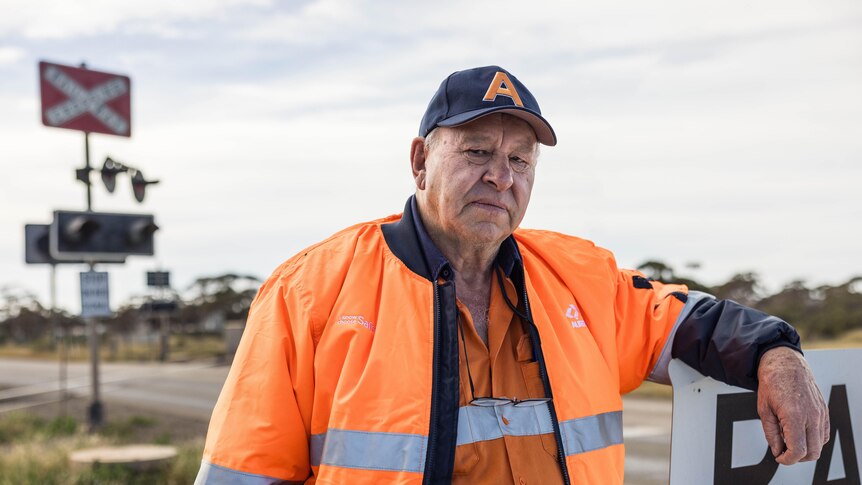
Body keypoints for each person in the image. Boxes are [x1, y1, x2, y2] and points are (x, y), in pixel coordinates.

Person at [194, 66, 829, 485]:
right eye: (476, 151)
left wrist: (776, 354)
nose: (502, 175)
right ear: (420, 161)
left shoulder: (580, 278)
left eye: (520, 159)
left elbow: (686, 321)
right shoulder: (310, 289)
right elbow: (244, 471)